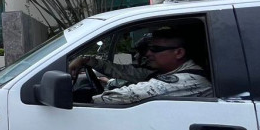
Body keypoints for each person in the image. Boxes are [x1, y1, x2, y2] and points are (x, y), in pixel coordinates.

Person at [68, 27, 212, 104]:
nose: (148, 54)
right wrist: (86, 60)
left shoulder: (188, 80)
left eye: (155, 49)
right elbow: (126, 72)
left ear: (179, 53)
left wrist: (87, 100)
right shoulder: (165, 71)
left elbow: (130, 95)